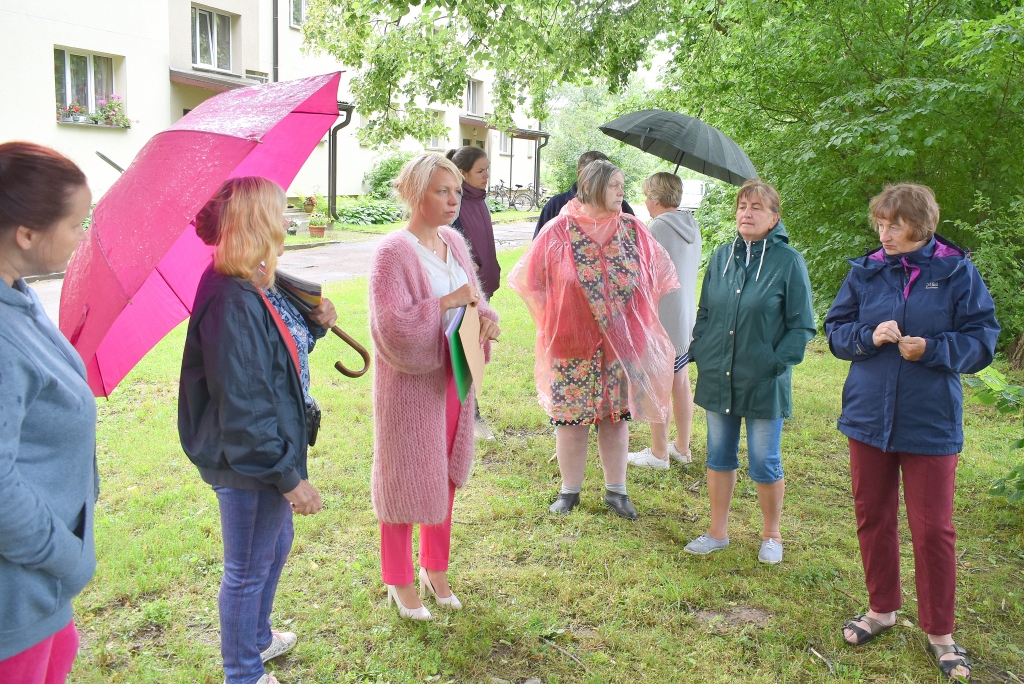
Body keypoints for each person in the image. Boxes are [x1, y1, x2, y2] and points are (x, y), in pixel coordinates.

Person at [825, 183, 998, 682]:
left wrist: (936, 349)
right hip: (866, 418)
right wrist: (866, 336)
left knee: (933, 529)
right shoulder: (867, 270)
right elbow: (836, 330)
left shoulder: (957, 273)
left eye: (894, 225)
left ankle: (940, 632)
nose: (884, 234)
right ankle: (882, 610)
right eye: (880, 224)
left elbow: (983, 339)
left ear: (921, 226)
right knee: (872, 516)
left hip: (930, 419)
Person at [179, 176, 336, 684]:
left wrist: (315, 326)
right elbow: (244, 404)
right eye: (278, 210)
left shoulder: (252, 283)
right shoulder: (231, 296)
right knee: (246, 568)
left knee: (275, 543)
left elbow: (275, 359)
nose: (286, 218)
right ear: (256, 220)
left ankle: (258, 639)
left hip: (267, 448)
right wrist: (287, 476)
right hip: (247, 458)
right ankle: (242, 672)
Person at [369, 153, 500, 620]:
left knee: (445, 473)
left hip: (454, 377)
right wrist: (446, 302)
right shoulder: (393, 252)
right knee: (405, 479)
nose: (452, 201)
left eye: (456, 192)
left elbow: (475, 300)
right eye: (441, 191)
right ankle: (399, 579)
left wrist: (487, 322)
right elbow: (392, 328)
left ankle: (435, 568)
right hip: (410, 389)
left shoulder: (453, 241)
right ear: (415, 193)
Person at [510, 160, 678, 519]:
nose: (622, 192)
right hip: (570, 344)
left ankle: (617, 491)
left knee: (615, 418)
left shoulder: (633, 230)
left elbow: (654, 280)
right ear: (593, 187)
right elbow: (530, 281)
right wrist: (559, 316)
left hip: (621, 346)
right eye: (616, 185)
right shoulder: (559, 230)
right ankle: (569, 491)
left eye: (622, 185)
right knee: (571, 419)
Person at [0, 142, 96, 683]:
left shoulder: (18, 293)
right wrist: (68, 556)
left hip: (42, 592)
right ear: (27, 235)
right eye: (76, 224)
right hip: (16, 593)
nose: (83, 237)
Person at [684, 179, 815, 564]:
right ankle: (717, 532)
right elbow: (706, 312)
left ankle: (772, 535)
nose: (747, 213)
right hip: (717, 374)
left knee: (764, 460)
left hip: (763, 382)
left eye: (756, 207)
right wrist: (702, 352)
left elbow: (801, 325)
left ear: (774, 217)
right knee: (718, 455)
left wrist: (774, 364)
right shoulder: (723, 256)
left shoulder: (788, 262)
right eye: (742, 206)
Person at [628, 172, 702, 470]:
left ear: (656, 199)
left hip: (660, 319)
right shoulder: (692, 225)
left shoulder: (656, 228)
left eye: (647, 196)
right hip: (684, 319)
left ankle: (659, 452)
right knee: (680, 382)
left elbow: (641, 276)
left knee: (657, 385)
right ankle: (682, 448)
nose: (645, 202)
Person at [447, 145, 499, 441]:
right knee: (465, 351)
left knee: (475, 351)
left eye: (488, 169)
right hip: (463, 291)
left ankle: (468, 414)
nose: (487, 175)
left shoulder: (480, 200)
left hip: (481, 289)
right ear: (462, 173)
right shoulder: (457, 202)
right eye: (480, 171)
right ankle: (472, 418)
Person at [532, 151, 635, 239]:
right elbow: (539, 247)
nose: (621, 192)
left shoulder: (622, 207)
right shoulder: (556, 205)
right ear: (581, 175)